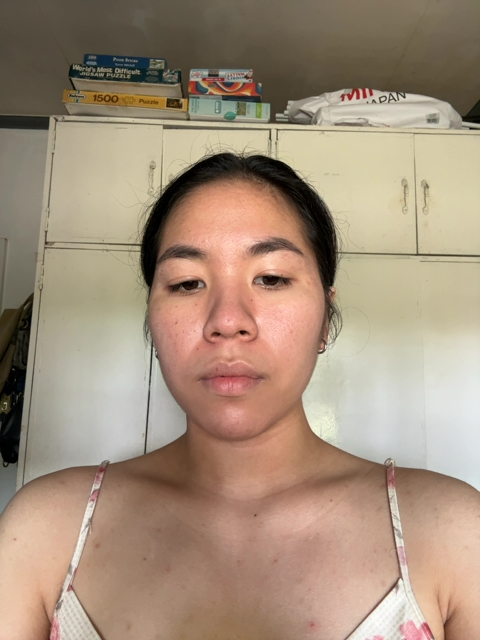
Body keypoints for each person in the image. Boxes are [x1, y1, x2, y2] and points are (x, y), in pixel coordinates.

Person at [0, 153, 479, 639]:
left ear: (325, 318)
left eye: (271, 278)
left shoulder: (453, 531)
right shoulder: (45, 530)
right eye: (187, 283)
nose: (227, 321)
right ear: (151, 320)